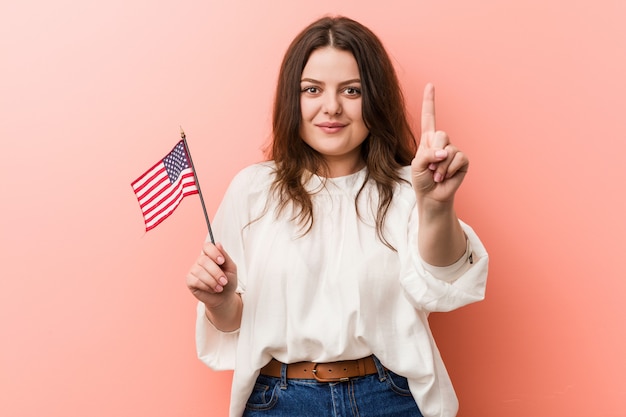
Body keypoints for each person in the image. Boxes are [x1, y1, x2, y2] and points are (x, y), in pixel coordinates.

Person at [186, 15, 488, 417]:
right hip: (281, 401)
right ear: (293, 100)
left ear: (375, 98)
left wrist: (436, 206)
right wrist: (220, 302)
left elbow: (443, 281)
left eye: (351, 90)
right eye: (312, 90)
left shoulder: (407, 187)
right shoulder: (253, 190)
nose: (331, 107)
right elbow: (233, 325)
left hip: (390, 398)